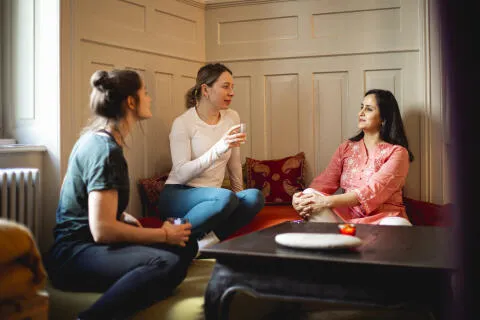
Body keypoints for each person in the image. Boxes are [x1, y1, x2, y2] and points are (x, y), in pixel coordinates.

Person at [45, 69, 197, 320]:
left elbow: (84, 201)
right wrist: (162, 234)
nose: (149, 99)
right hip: (74, 255)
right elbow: (102, 230)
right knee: (164, 263)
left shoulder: (96, 140)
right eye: (145, 93)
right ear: (130, 101)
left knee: (186, 243)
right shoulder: (105, 151)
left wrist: (124, 216)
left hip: (91, 247)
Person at [157, 63, 264, 249]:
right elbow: (181, 174)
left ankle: (206, 243)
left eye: (232, 87)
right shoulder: (183, 123)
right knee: (224, 198)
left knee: (254, 197)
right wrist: (219, 148)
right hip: (179, 193)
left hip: (214, 197)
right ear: (205, 90)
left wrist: (239, 200)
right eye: (225, 86)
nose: (231, 92)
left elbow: (234, 164)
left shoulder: (232, 117)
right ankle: (172, 241)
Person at [293, 89, 414, 226]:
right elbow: (323, 183)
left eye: (368, 109)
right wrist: (298, 199)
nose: (361, 113)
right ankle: (341, 240)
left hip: (384, 219)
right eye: (361, 107)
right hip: (346, 219)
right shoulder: (346, 148)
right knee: (309, 193)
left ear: (383, 118)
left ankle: (343, 241)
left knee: (397, 225)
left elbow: (373, 191)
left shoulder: (397, 152)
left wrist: (325, 202)